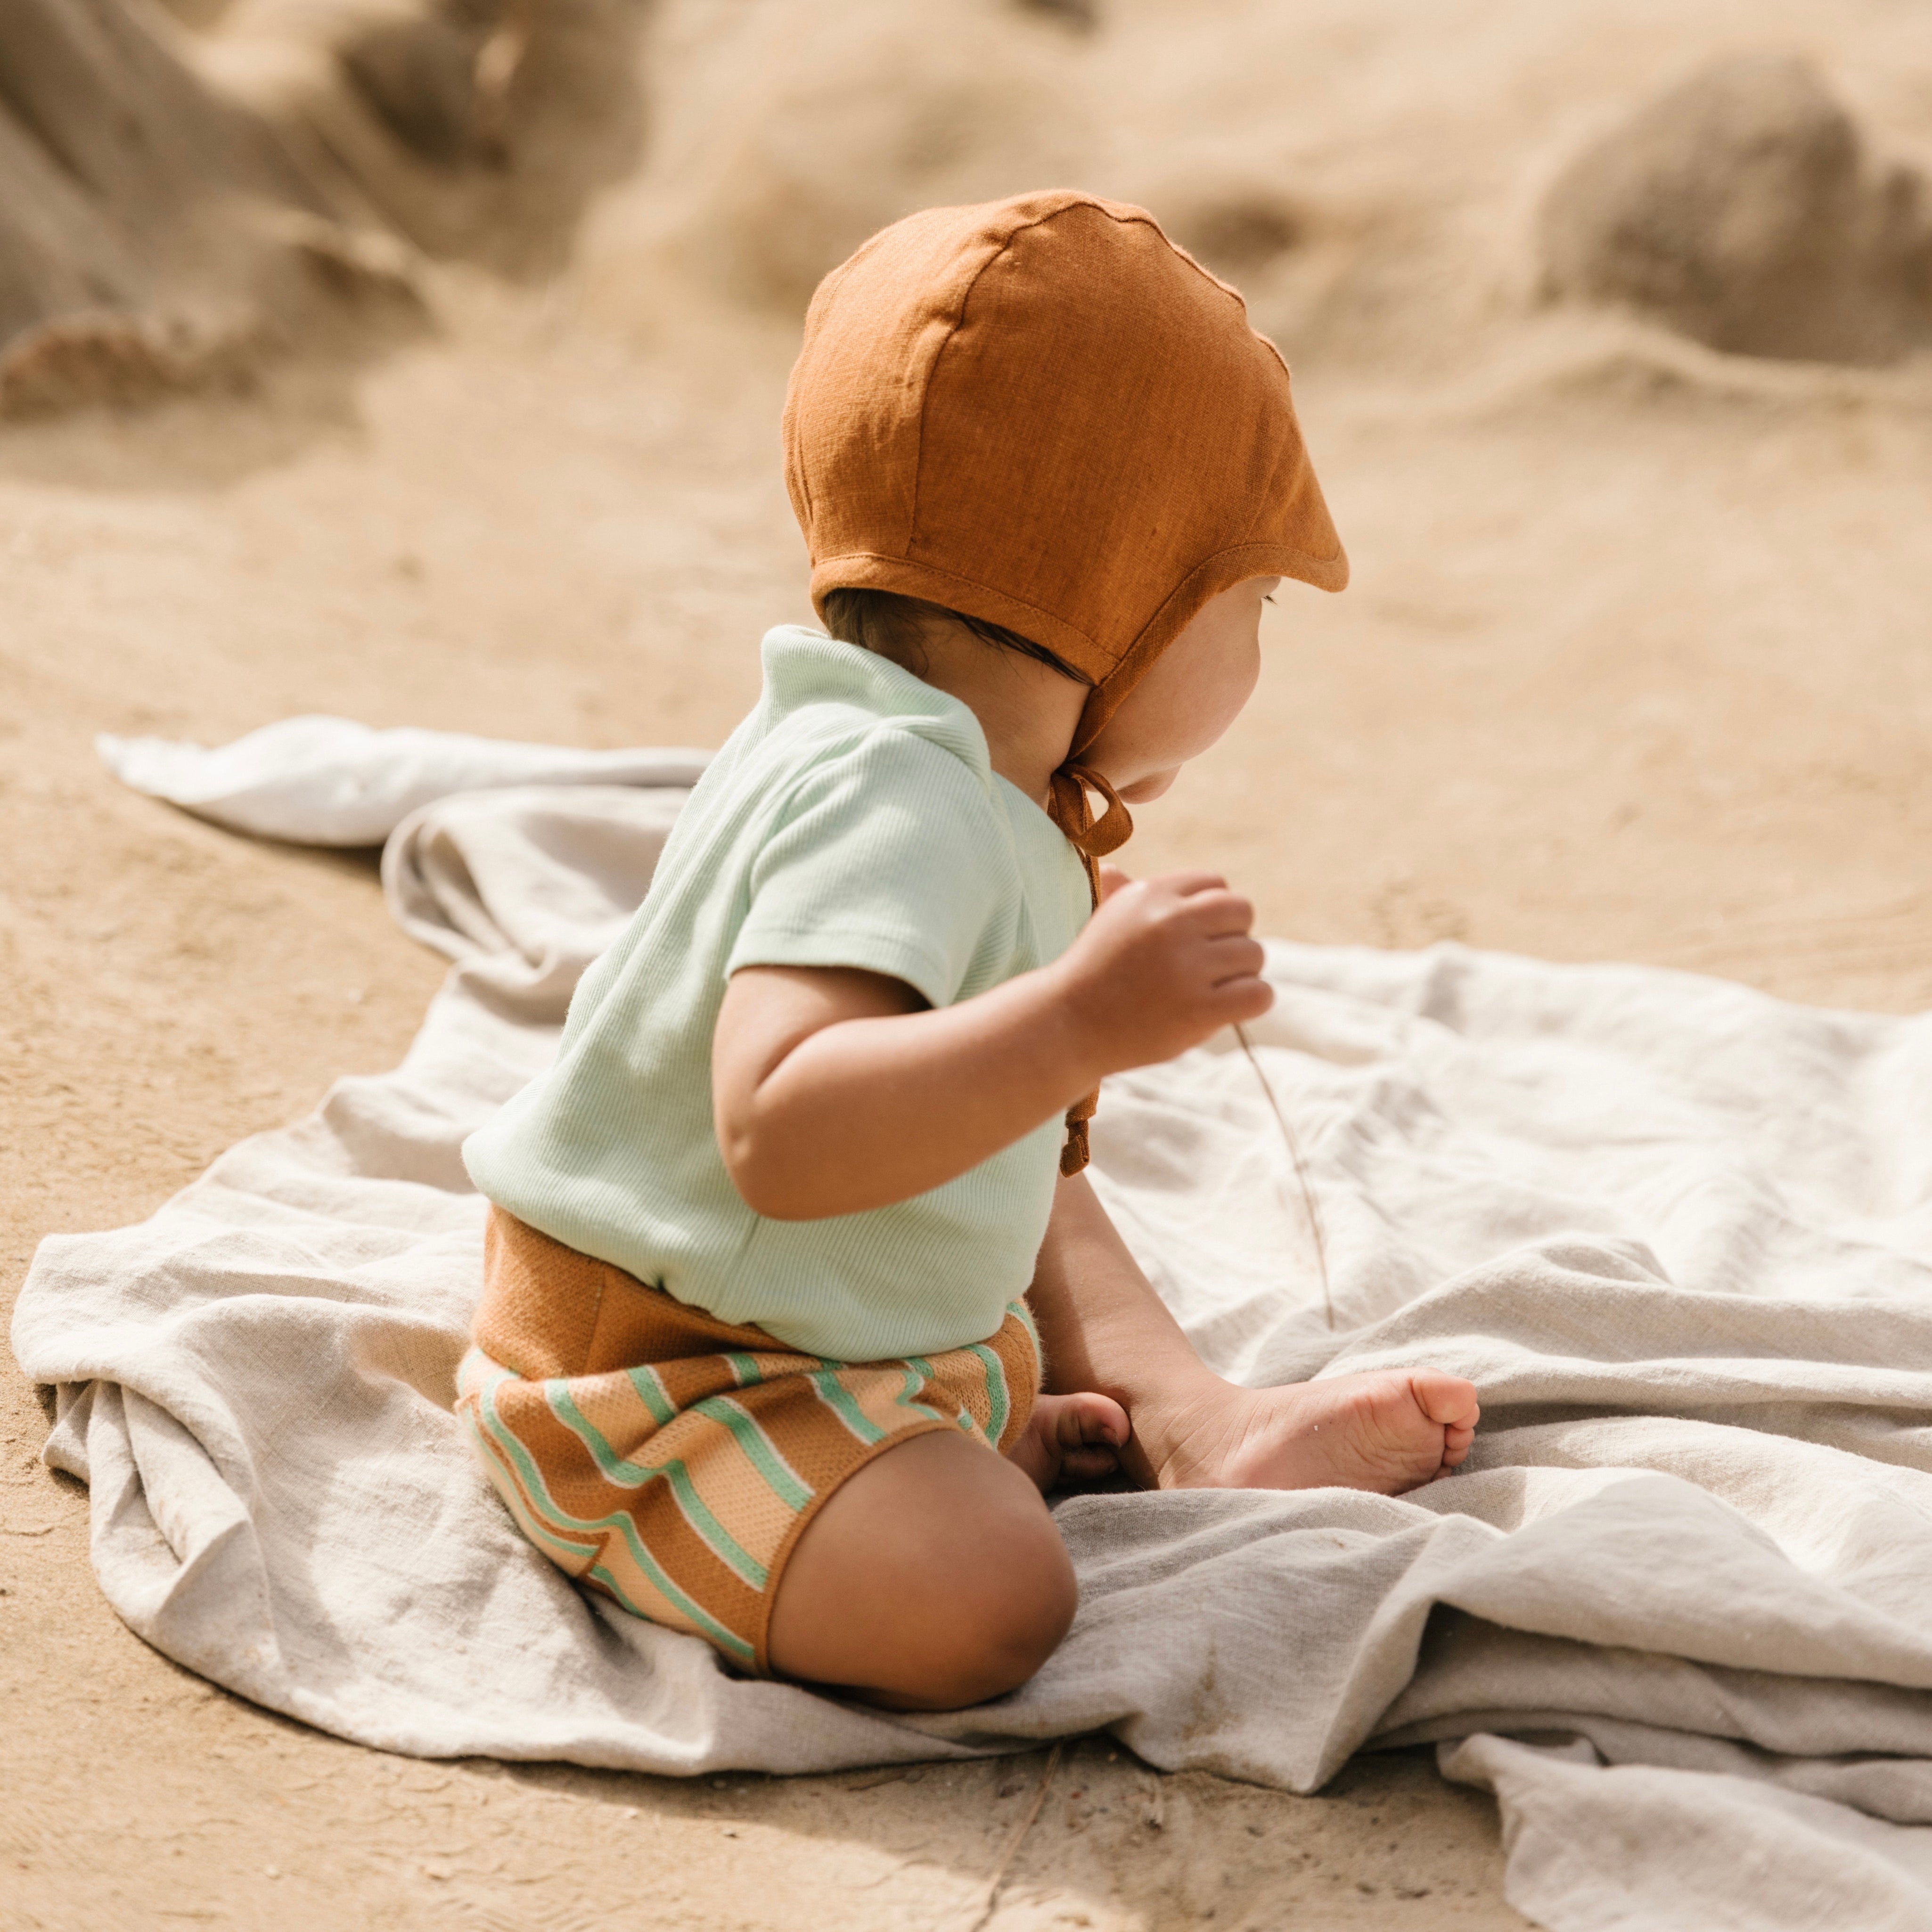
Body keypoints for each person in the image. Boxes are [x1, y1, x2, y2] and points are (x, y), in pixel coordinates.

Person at [456, 190, 1481, 1713]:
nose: (1259, 648)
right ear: (1116, 588)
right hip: (668, 1371)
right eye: (1250, 597)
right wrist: (1074, 1021)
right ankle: (862, 1464)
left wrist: (1047, 1057)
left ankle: (1183, 1414)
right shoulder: (896, 800)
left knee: (1022, 1162)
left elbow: (995, 1150)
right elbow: (783, 1129)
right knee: (989, 1598)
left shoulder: (951, 771)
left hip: (806, 1311)